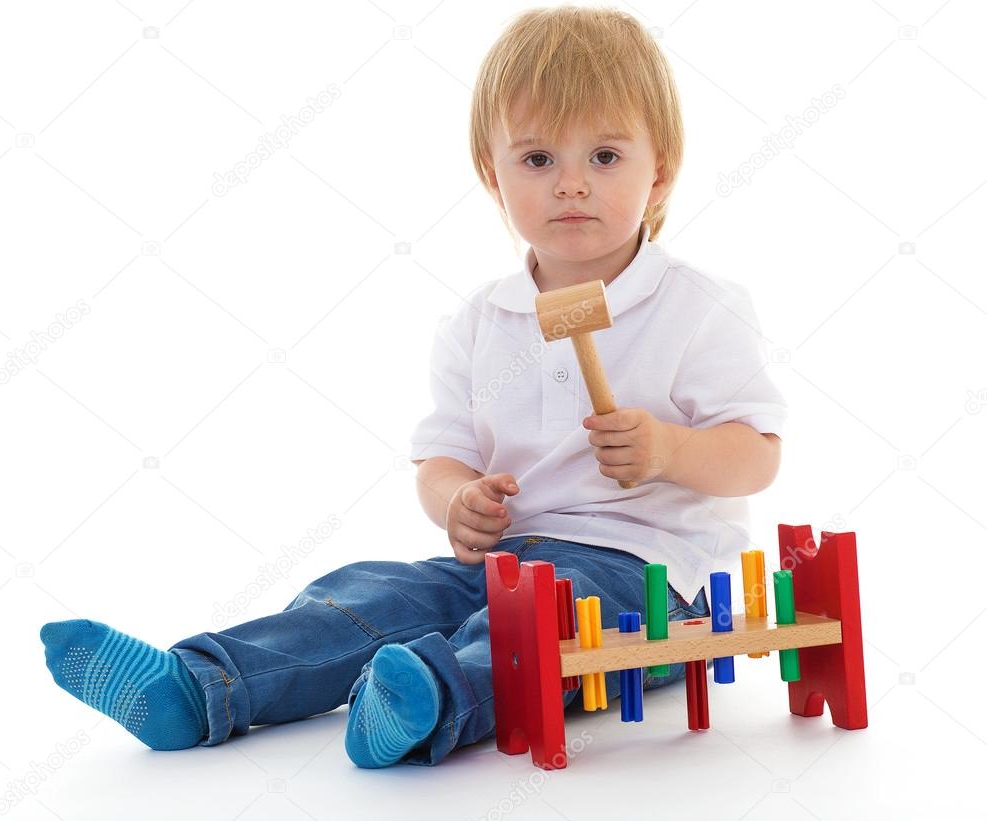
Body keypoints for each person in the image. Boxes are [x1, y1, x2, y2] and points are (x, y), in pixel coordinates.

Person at [39, 5, 787, 768]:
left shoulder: (698, 304)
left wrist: (667, 448)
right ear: (491, 173)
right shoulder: (478, 321)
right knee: (371, 593)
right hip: (500, 559)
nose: (569, 185)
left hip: (648, 577)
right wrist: (456, 503)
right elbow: (441, 458)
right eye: (536, 160)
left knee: (531, 625)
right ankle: (200, 685)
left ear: (658, 168)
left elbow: (754, 454)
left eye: (602, 156)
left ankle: (423, 701)